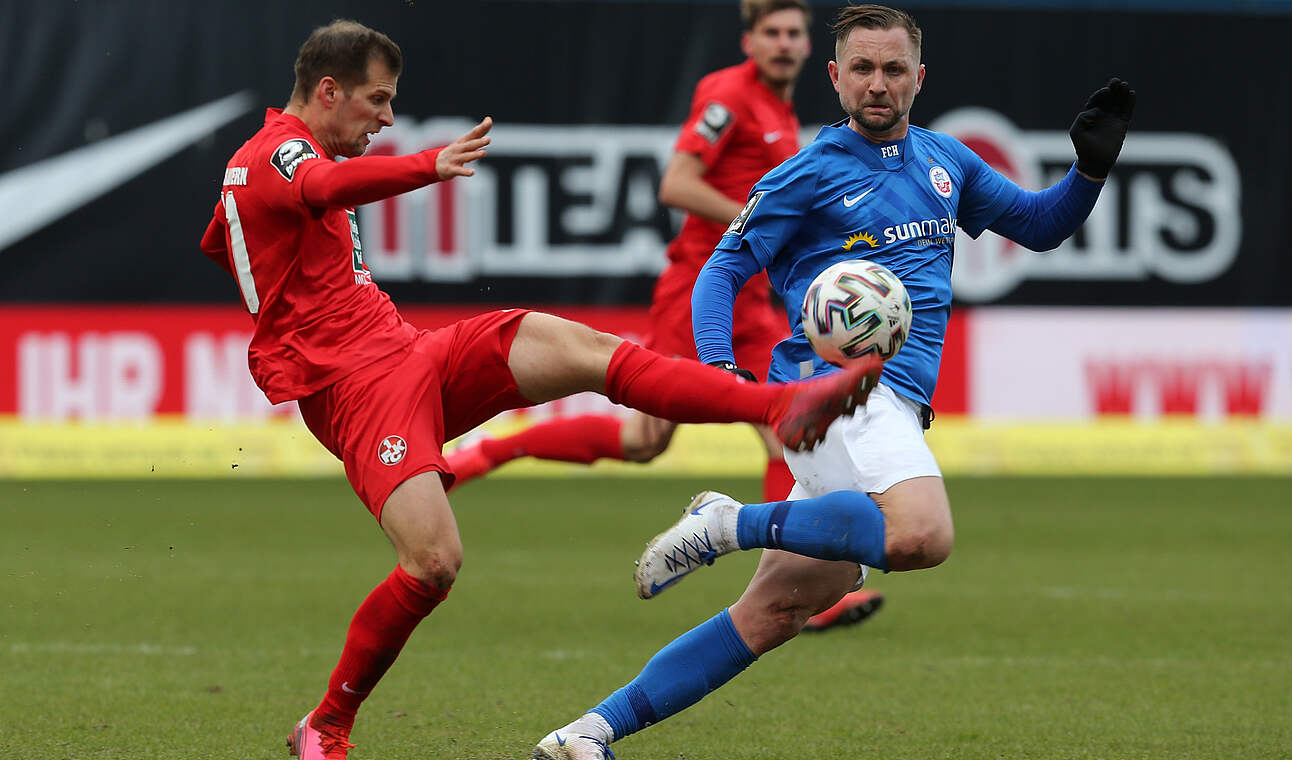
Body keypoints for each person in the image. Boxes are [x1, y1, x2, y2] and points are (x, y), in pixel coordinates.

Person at [198, 19, 883, 760]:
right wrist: (428, 165)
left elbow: (228, 235)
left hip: (408, 353)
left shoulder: (260, 165)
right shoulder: (281, 151)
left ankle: (778, 404)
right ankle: (327, 723)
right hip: (355, 391)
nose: (387, 118)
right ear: (327, 90)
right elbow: (320, 185)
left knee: (584, 347)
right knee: (434, 563)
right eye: (377, 100)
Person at [532, 5, 1134, 758]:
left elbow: (1041, 226)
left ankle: (584, 735)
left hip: (889, 409)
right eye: (861, 69)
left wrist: (1090, 171)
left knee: (769, 616)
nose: (876, 85)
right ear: (835, 77)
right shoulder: (806, 173)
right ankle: (727, 523)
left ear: (918, 78)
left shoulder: (949, 163)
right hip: (840, 395)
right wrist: (724, 374)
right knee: (922, 534)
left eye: (891, 70)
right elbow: (722, 270)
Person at [441, 0, 885, 632]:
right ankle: (494, 452)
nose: (785, 44)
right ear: (750, 40)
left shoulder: (781, 111)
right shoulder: (728, 94)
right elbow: (676, 183)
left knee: (783, 434)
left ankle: (799, 588)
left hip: (753, 302)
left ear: (811, 47)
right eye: (773, 33)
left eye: (795, 33)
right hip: (701, 290)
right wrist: (755, 221)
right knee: (647, 440)